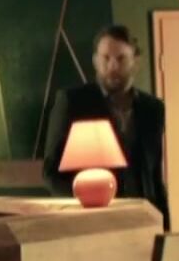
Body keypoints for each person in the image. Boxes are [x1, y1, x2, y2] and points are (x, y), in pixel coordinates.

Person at [42, 25, 170, 230]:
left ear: (136, 61)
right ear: (95, 61)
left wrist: (165, 227)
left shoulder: (153, 108)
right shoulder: (73, 102)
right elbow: (50, 173)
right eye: (106, 58)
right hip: (92, 222)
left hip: (144, 219)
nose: (112, 66)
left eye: (121, 59)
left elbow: (154, 174)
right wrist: (83, 205)